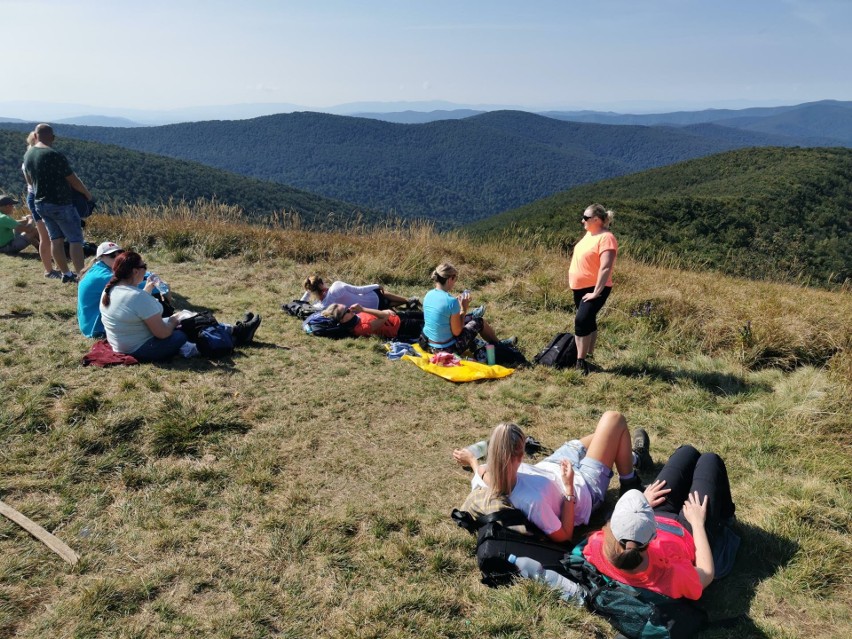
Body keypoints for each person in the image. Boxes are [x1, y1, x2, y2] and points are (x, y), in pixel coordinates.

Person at [453, 412, 651, 543]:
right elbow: (564, 536)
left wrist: (471, 459)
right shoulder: (532, 501)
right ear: (520, 456)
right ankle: (629, 482)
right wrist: (568, 489)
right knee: (614, 419)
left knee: (603, 434)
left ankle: (632, 458)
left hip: (553, 464)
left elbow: (479, 471)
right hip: (583, 485)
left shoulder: (486, 473)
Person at [582, 446, 737, 600]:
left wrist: (642, 504)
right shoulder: (670, 575)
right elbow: (707, 574)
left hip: (657, 515)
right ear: (653, 535)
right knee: (710, 460)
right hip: (690, 533)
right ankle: (726, 515)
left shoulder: (597, 544)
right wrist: (697, 524)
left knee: (687, 453)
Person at [22, 123, 93, 282]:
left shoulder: (28, 154)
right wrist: (87, 195)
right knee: (75, 239)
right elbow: (73, 179)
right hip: (61, 203)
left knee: (56, 239)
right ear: (52, 137)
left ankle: (66, 274)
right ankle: (81, 276)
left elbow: (29, 181)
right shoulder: (54, 154)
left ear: (35, 135)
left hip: (41, 203)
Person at [99, 251, 188, 362]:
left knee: (171, 323)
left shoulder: (108, 290)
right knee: (182, 334)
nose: (146, 270)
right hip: (140, 350)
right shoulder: (137, 296)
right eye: (144, 266)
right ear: (135, 271)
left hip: (118, 345)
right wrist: (175, 320)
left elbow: (134, 307)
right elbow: (162, 334)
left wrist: (148, 288)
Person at [78, 241, 176, 338]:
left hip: (90, 322)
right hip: (96, 328)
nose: (117, 257)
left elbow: (140, 274)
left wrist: (148, 275)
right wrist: (162, 285)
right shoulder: (104, 276)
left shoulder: (100, 268)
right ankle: (164, 323)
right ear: (101, 257)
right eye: (112, 255)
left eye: (120, 253)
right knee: (153, 296)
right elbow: (139, 288)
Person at [568, 204, 618, 375]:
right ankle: (589, 354)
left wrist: (597, 292)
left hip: (595, 287)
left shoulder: (607, 238)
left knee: (581, 321)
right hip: (580, 287)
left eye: (586, 218)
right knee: (588, 319)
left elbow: (606, 268)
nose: (582, 220)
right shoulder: (590, 233)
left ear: (596, 220)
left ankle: (580, 362)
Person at [422, 262, 508, 354]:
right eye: (455, 278)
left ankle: (483, 343)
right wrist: (463, 308)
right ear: (450, 279)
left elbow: (442, 316)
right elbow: (457, 332)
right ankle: (500, 345)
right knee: (479, 322)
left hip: (428, 345)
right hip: (446, 350)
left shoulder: (428, 294)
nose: (455, 282)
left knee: (467, 318)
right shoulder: (451, 301)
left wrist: (456, 306)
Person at [22, 131, 57, 277]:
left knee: (47, 236)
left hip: (33, 196)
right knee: (50, 236)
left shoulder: (27, 160)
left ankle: (51, 268)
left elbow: (29, 183)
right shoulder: (39, 159)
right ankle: (50, 269)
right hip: (42, 197)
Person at [301, 275, 413, 310]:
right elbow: (360, 289)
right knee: (381, 294)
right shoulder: (336, 286)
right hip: (371, 297)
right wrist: (376, 285)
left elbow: (302, 303)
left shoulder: (321, 306)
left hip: (369, 310)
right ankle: (408, 301)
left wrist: (308, 292)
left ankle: (407, 302)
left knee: (386, 304)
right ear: (321, 284)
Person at [321, 303, 424, 340]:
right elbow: (383, 317)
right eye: (347, 310)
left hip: (399, 317)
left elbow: (379, 315)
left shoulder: (353, 319)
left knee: (428, 315)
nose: (350, 309)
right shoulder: (360, 329)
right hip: (402, 327)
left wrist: (385, 311)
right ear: (343, 319)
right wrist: (363, 309)